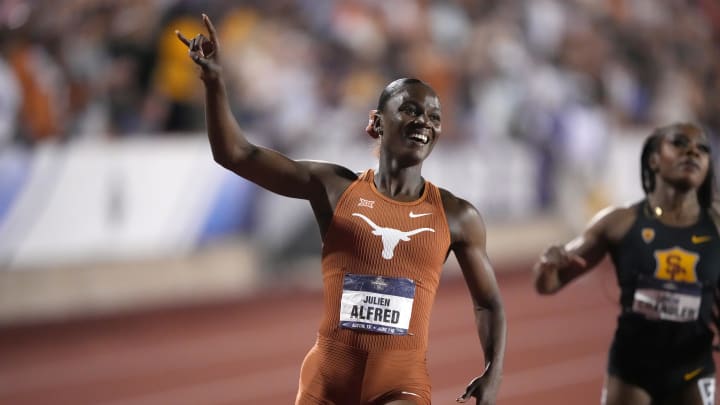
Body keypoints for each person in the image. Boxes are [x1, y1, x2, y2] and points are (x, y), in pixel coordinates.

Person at [176, 14, 506, 405]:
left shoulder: (457, 216)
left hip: (401, 384)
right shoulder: (334, 189)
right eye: (411, 111)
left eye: (434, 117)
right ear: (376, 124)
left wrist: (493, 369)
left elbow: (487, 300)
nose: (424, 122)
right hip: (327, 380)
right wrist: (214, 83)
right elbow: (236, 155)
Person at [533, 122, 720, 405]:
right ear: (654, 159)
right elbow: (548, 284)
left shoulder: (716, 227)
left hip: (693, 367)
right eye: (680, 143)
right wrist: (548, 265)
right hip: (632, 370)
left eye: (702, 149)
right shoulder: (619, 222)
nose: (692, 152)